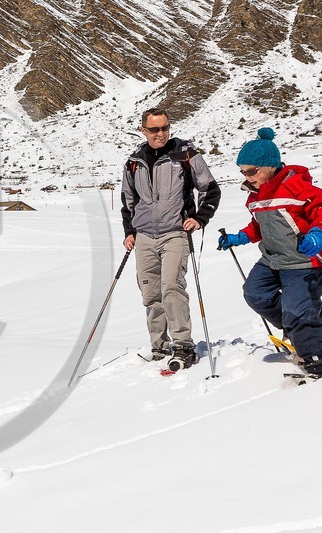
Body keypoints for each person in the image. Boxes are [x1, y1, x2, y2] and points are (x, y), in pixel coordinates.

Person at [218, 128, 322, 377]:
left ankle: (319, 359)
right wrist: (240, 237)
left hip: (303, 261)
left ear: (270, 166)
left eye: (252, 171)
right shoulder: (255, 196)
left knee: (297, 310)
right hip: (272, 259)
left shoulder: (295, 186)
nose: (247, 177)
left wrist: (318, 232)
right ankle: (299, 323)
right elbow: (260, 225)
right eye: (243, 172)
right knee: (255, 294)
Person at [121, 108, 222, 369]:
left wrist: (200, 218)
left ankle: (183, 345)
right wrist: (129, 232)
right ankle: (159, 345)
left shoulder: (185, 155)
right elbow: (128, 201)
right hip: (144, 236)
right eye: (154, 129)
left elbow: (210, 189)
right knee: (150, 293)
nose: (161, 133)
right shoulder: (134, 162)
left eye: (165, 127)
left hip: (174, 233)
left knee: (171, 287)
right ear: (143, 130)